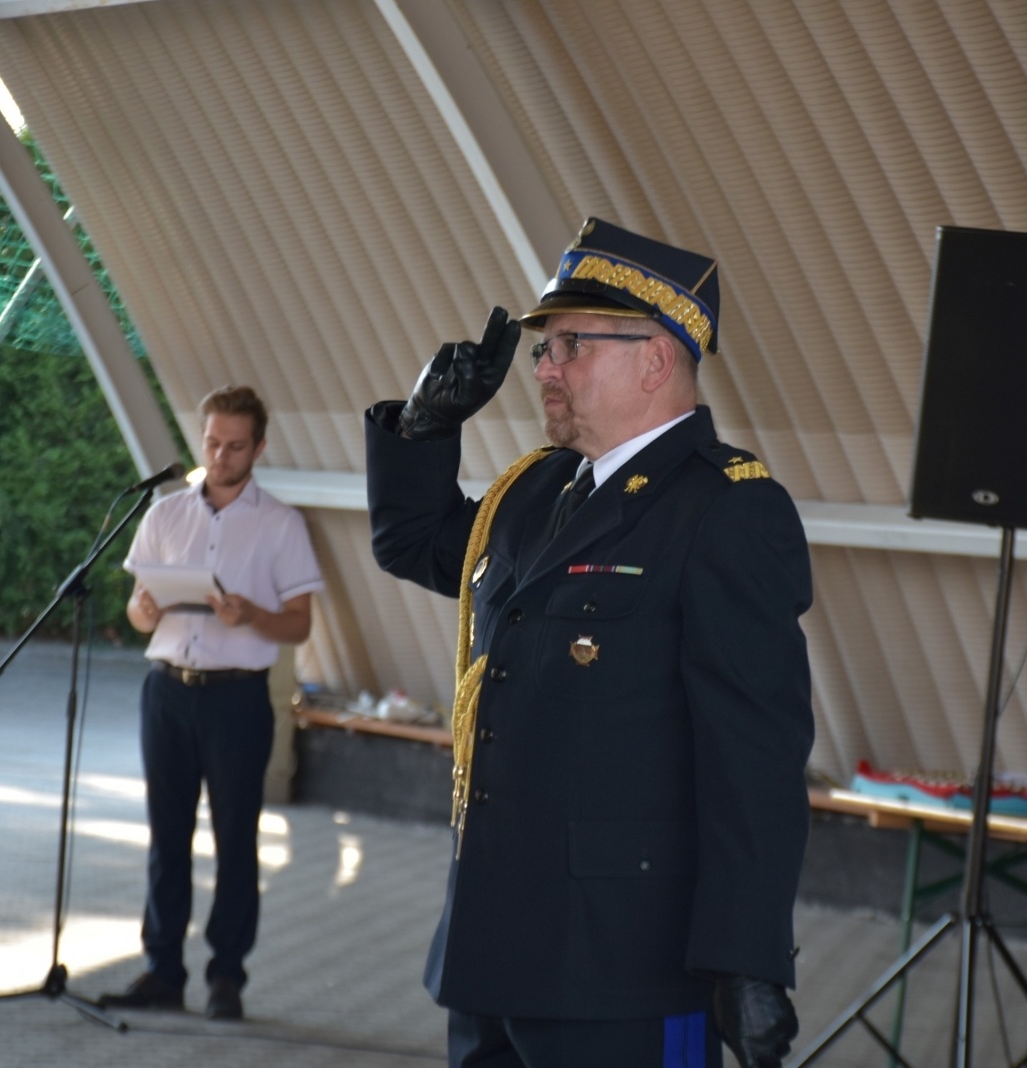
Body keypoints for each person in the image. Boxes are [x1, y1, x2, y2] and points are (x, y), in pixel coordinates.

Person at [365, 219, 815, 1068]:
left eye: (571, 344)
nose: (544, 368)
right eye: (545, 348)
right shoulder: (533, 494)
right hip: (492, 945)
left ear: (655, 358)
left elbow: (754, 754)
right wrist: (424, 427)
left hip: (625, 964)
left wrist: (748, 957)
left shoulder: (726, 510)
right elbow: (414, 542)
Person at [102, 385, 324, 1021]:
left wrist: (252, 614)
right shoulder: (165, 513)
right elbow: (138, 612)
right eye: (211, 442)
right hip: (167, 690)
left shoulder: (280, 523)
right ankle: (162, 971)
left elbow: (299, 625)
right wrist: (142, 608)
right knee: (166, 837)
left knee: (235, 838)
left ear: (258, 446)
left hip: (236, 698)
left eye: (234, 445)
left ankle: (227, 976)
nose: (220, 455)